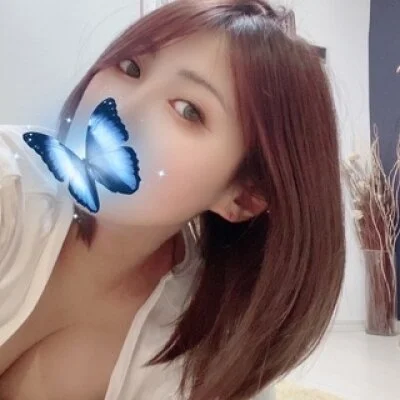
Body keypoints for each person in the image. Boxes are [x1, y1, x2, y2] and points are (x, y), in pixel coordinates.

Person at [0, 0, 346, 399]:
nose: (123, 109)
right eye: (130, 68)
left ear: (244, 196)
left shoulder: (208, 352)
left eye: (188, 110)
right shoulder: (11, 186)